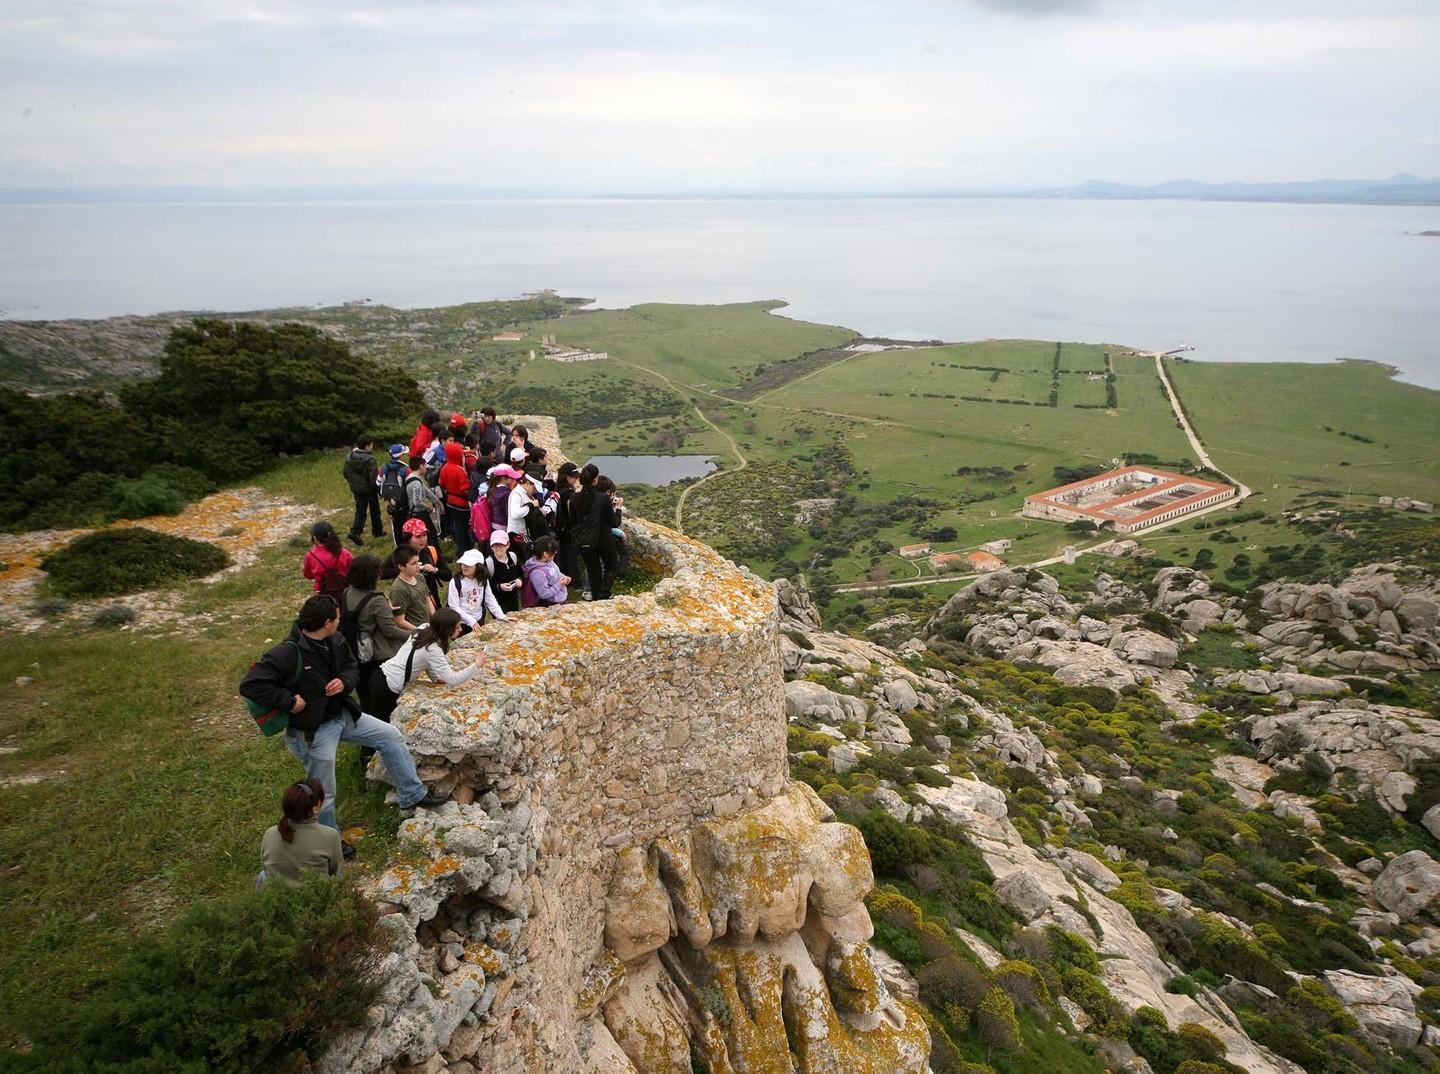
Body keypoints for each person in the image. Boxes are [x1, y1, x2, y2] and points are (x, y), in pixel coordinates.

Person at [239, 595, 445, 842]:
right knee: (324, 791)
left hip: (342, 714)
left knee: (390, 736)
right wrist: (290, 702)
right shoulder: (287, 652)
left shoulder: (334, 640)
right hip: (314, 728)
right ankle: (330, 840)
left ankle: (412, 795)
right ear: (327, 622)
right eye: (337, 618)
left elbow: (351, 667)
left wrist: (345, 681)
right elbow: (251, 685)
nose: (340, 621)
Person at [366, 608, 488, 724]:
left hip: (380, 675)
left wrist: (435, 678)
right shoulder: (433, 649)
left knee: (376, 723)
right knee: (382, 729)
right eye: (457, 627)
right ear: (446, 629)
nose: (461, 629)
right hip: (387, 687)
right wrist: (476, 665)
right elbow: (452, 679)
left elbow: (425, 660)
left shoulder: (424, 628)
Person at [259, 778, 343, 887]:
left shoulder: (270, 833)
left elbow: (266, 866)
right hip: (316, 897)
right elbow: (334, 871)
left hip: (278, 897)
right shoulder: (330, 835)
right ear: (316, 808)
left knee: (262, 875)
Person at [570, 464, 618, 601]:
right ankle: (604, 593)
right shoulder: (603, 498)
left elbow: (574, 521)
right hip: (603, 538)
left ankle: (596, 597)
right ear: (595, 479)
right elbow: (614, 522)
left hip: (585, 539)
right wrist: (618, 510)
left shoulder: (574, 498)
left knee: (593, 570)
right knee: (612, 566)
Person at [448, 548, 507, 630]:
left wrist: (501, 615)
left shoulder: (483, 579)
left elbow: (489, 598)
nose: (464, 567)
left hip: (479, 618)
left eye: (468, 564)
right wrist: (471, 621)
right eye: (463, 564)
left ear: (478, 566)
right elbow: (454, 606)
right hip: (462, 623)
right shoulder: (455, 582)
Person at [342, 436, 384, 546]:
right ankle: (377, 531)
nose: (372, 447)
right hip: (369, 489)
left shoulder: (349, 457)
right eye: (371, 445)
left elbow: (345, 472)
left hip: (356, 489)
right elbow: (373, 478)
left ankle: (355, 531)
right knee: (374, 510)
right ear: (366, 446)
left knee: (360, 511)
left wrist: (352, 483)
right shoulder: (370, 460)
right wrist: (379, 489)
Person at [437, 440, 474, 556]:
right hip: (461, 503)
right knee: (464, 527)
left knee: (456, 525)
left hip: (450, 501)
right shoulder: (459, 470)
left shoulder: (445, 467)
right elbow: (465, 489)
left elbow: (442, 484)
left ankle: (460, 547)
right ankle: (466, 549)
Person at [303, 522, 354, 601]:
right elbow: (353, 570)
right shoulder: (344, 553)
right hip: (344, 590)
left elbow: (308, 575)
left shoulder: (311, 556)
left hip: (322, 592)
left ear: (315, 539)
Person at [389, 545, 435, 629]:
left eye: (418, 561)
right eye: (413, 563)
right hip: (415, 633)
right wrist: (419, 631)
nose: (418, 565)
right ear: (401, 566)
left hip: (429, 626)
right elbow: (400, 621)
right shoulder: (398, 589)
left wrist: (435, 618)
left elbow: (427, 599)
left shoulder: (420, 577)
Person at [484, 530, 525, 615]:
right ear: (491, 547)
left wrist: (519, 580)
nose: (498, 548)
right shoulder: (489, 563)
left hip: (513, 598)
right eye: (495, 546)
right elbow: (485, 585)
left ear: (508, 545)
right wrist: (499, 587)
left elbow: (520, 573)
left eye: (501, 545)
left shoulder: (513, 557)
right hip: (497, 601)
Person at [522, 536, 570, 607]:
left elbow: (556, 573)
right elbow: (544, 594)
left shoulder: (549, 561)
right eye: (554, 551)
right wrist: (559, 584)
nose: (556, 553)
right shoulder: (537, 573)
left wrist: (563, 577)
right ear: (546, 554)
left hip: (559, 600)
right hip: (549, 605)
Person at [379, 444, 410, 536]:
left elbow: (378, 483)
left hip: (391, 501)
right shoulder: (406, 469)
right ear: (400, 456)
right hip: (404, 501)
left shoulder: (383, 467)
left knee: (396, 524)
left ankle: (399, 543)